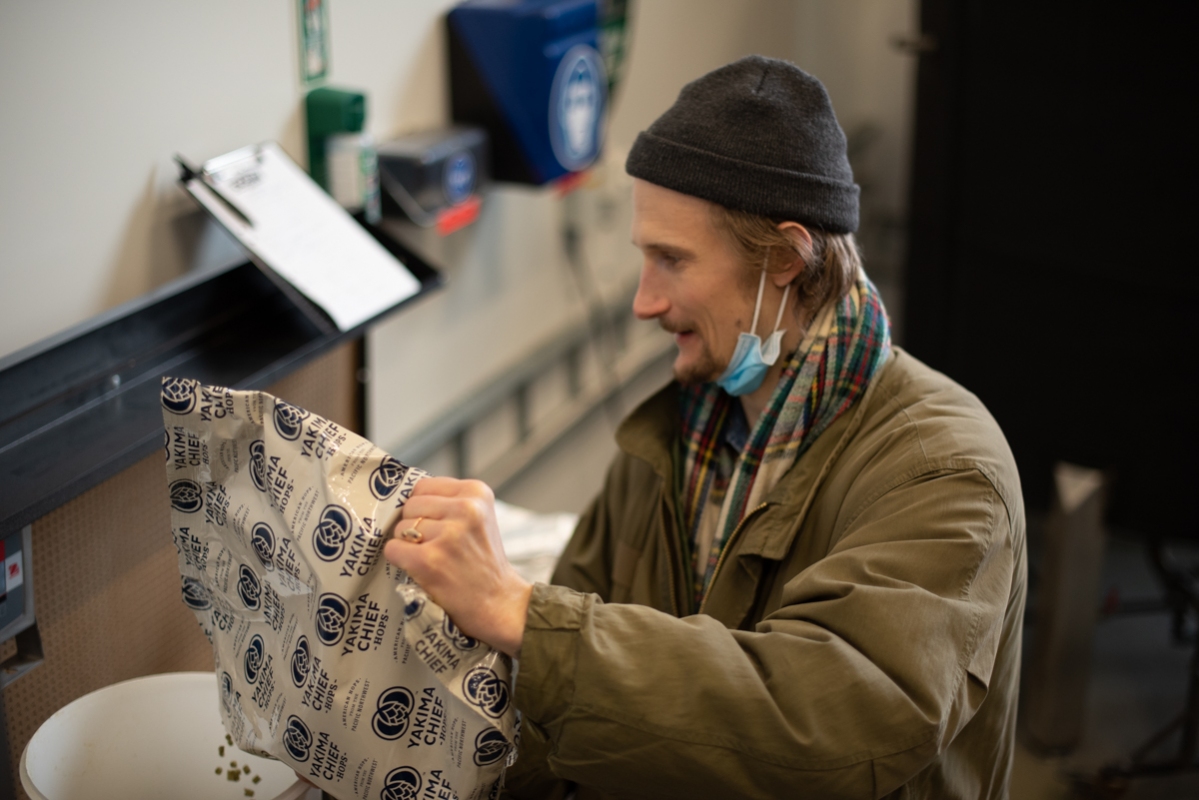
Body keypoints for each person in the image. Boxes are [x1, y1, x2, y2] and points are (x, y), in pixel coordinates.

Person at [383, 55, 1026, 800]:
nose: (644, 302)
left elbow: (832, 724)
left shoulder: (942, 469)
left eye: (671, 259)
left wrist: (524, 615)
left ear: (784, 257)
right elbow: (557, 714)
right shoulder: (669, 440)